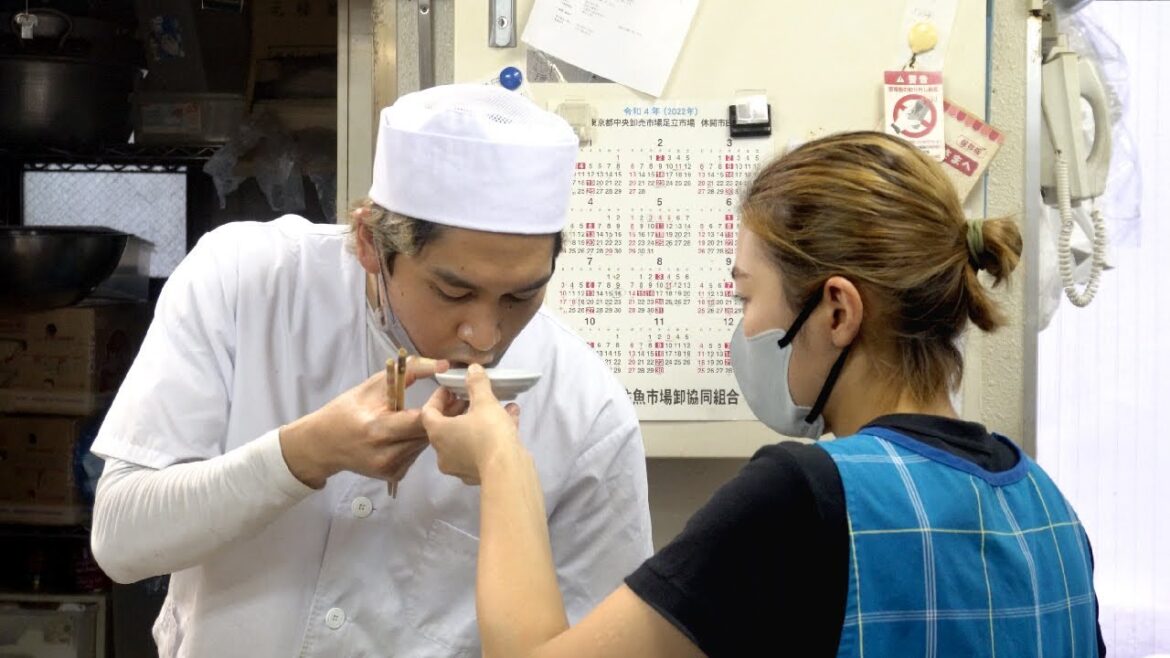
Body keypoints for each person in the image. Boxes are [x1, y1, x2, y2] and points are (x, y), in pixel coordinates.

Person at [421, 131, 1107, 657]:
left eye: (747, 296)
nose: (742, 327)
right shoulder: (1049, 509)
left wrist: (499, 462)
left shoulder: (804, 499)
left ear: (837, 312)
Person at [88, 84, 653, 657]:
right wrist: (302, 455)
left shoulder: (586, 408)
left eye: (521, 297)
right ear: (367, 242)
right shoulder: (244, 284)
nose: (485, 338)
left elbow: (600, 641)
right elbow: (121, 542)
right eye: (452, 291)